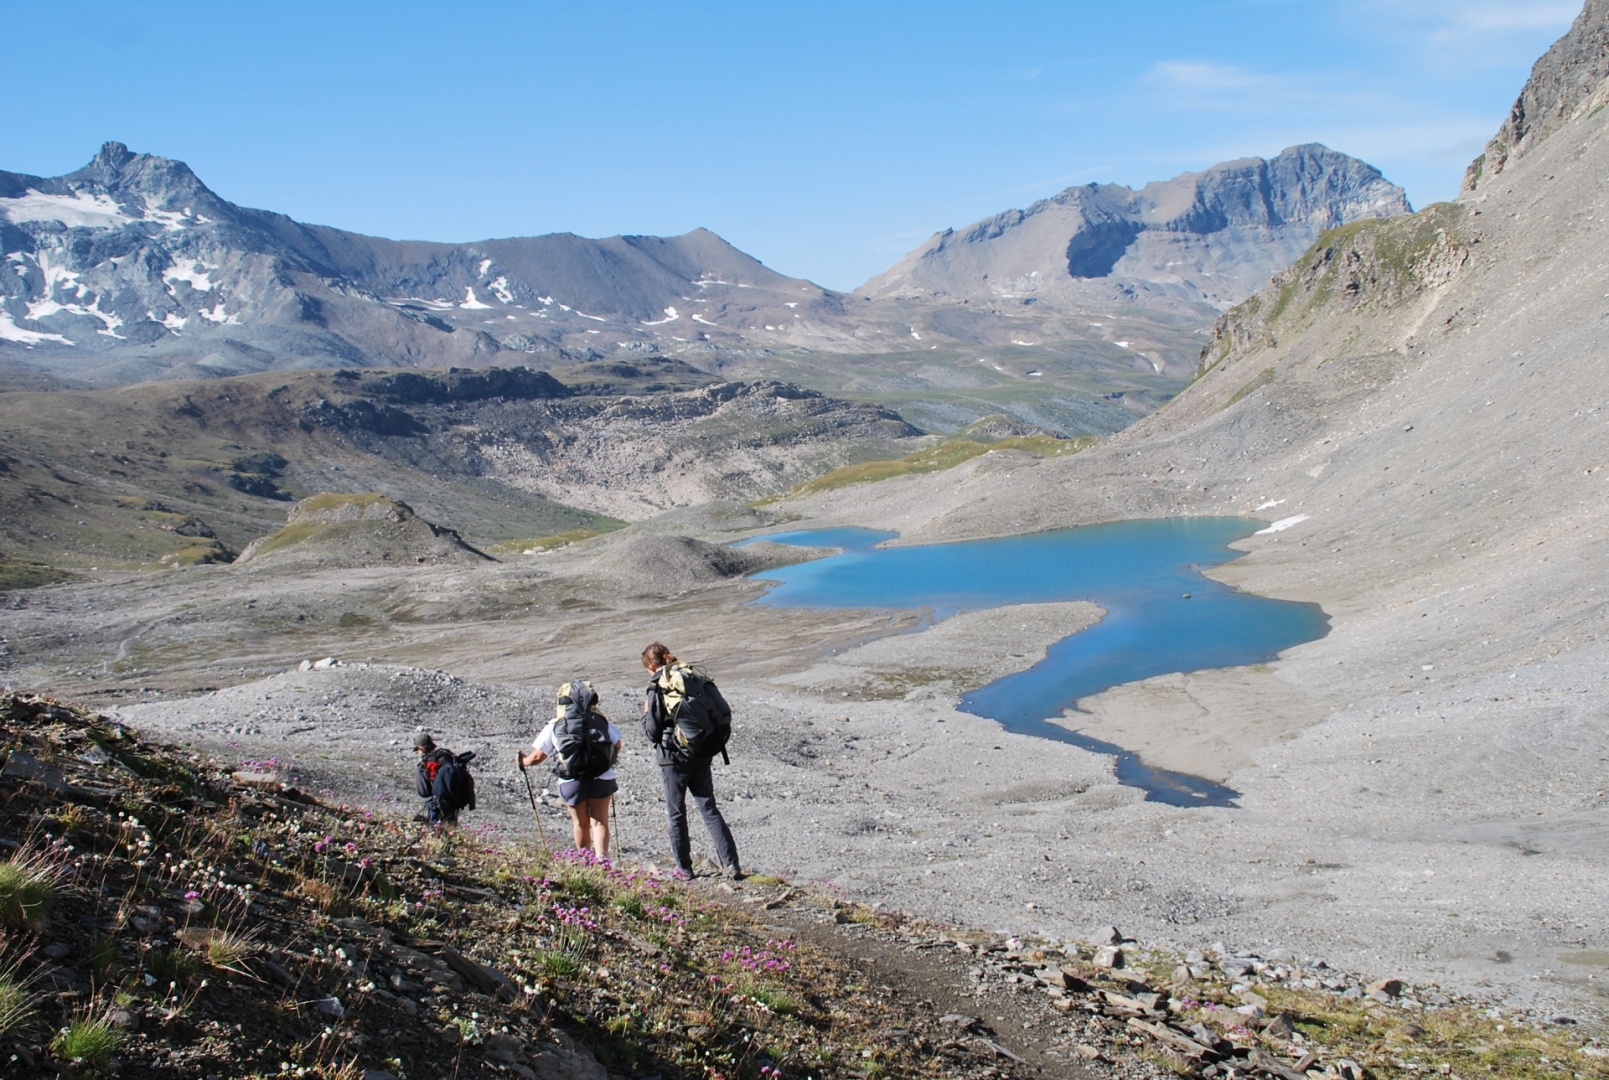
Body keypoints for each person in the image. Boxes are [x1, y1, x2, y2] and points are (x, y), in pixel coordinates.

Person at [641, 643, 741, 879]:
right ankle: (731, 864)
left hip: (673, 757)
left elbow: (652, 732)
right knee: (708, 806)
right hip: (702, 750)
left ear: (652, 666)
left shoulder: (658, 684)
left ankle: (684, 869)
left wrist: (645, 714)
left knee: (676, 812)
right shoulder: (690, 675)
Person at [519, 680, 623, 860]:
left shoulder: (556, 724)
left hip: (571, 780)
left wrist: (523, 761)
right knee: (600, 822)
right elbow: (617, 744)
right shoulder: (600, 720)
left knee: (581, 824)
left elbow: (537, 757)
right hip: (602, 776)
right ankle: (602, 862)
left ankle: (586, 862)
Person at [413, 732, 472, 826]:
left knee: (436, 829)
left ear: (420, 748)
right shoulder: (446, 756)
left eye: (417, 750)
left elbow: (423, 792)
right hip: (454, 801)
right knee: (451, 827)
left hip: (437, 803)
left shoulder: (425, 764)